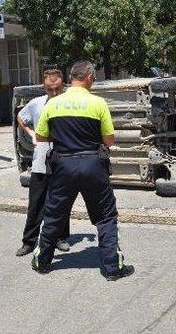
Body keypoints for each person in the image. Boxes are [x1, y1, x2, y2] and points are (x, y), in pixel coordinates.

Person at [32, 61, 134, 281]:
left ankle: (41, 260)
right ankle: (112, 268)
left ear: (71, 77)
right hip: (93, 166)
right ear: (88, 77)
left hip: (63, 166)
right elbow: (109, 140)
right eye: (94, 79)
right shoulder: (98, 103)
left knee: (54, 213)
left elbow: (41, 137)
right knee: (106, 216)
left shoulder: (54, 103)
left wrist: (62, 138)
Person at [15, 69, 70, 257]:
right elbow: (20, 118)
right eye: (49, 89)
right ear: (44, 87)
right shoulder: (36, 103)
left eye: (56, 89)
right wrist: (30, 133)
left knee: (61, 200)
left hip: (63, 158)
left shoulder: (69, 103)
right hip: (41, 158)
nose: (53, 93)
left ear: (62, 86)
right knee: (36, 202)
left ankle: (60, 238)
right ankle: (29, 241)